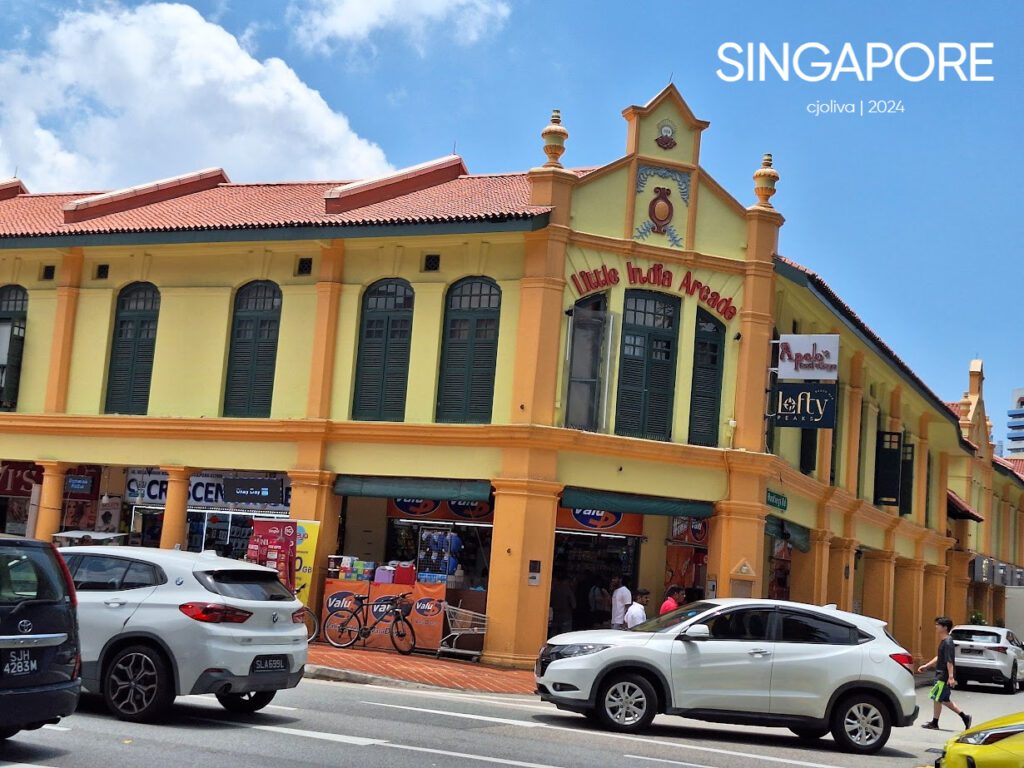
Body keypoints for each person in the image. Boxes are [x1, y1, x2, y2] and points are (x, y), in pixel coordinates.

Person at [918, 616, 972, 731]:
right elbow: (939, 657)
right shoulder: (945, 641)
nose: (936, 627)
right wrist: (927, 666)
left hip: (943, 676)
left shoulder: (948, 642)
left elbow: (949, 661)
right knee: (942, 699)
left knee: (937, 698)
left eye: (938, 625)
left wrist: (951, 677)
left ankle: (936, 722)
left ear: (945, 627)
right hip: (941, 674)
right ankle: (964, 717)